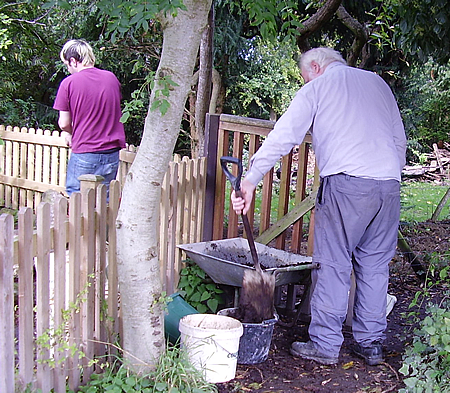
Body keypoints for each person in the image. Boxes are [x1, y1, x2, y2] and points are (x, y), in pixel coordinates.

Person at [231, 47, 406, 366]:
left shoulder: (319, 86)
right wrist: (391, 178)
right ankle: (370, 344)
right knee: (375, 265)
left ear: (315, 66)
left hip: (346, 183)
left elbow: (285, 135)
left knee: (333, 263)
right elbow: (398, 141)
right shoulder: (378, 84)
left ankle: (325, 345)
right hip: (388, 184)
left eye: (304, 75)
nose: (304, 81)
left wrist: (251, 177)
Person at [53, 39, 126, 197]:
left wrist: (71, 132)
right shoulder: (111, 79)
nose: (68, 68)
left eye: (67, 64)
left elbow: (64, 123)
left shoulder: (68, 84)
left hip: (85, 151)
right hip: (111, 152)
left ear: (73, 60)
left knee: (77, 198)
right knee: (105, 200)